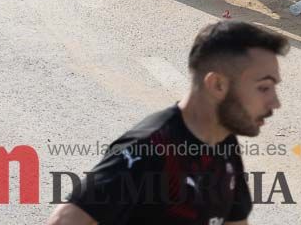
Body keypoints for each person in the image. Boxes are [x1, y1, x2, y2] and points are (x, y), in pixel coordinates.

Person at [47, 20, 285, 225]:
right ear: (217, 85)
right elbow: (65, 220)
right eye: (263, 88)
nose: (275, 103)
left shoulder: (223, 141)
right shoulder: (148, 148)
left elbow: (235, 219)